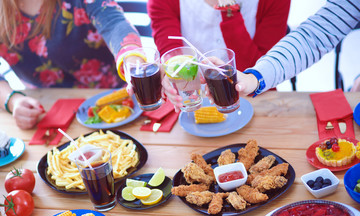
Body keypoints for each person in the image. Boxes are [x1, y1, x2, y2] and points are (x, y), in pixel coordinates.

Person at [162, 0, 360, 110]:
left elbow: (254, 65)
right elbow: (313, 37)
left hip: (259, 104)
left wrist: (229, 11)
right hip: (193, 105)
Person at [0, 0, 142, 129]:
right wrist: (12, 100)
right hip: (45, 113)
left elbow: (115, 24)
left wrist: (131, 57)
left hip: (115, 104)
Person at [148, 0, 291, 71]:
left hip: (255, 99)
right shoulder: (161, 2)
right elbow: (175, 67)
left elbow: (262, 73)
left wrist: (228, 8)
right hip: (193, 97)